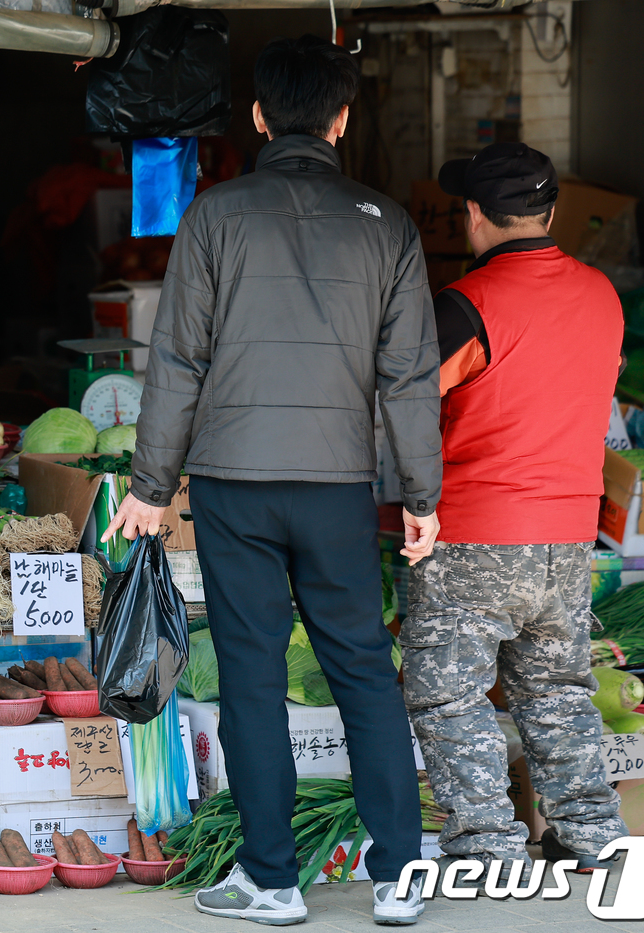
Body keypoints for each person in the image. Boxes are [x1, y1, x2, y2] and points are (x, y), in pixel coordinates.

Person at [104, 34, 441, 927]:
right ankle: (400, 876)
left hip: (233, 483)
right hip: (338, 487)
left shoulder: (215, 216)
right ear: (341, 119)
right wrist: (421, 496)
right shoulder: (389, 225)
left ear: (258, 118)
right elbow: (409, 377)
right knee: (365, 669)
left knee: (252, 673)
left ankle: (272, 880)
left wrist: (148, 484)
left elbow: (176, 358)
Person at [401, 143, 627, 876]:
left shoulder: (468, 306)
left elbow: (407, 405)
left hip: (476, 535)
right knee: (559, 690)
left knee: (449, 694)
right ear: (551, 211)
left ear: (472, 215)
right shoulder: (602, 294)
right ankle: (590, 835)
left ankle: (489, 846)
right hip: (568, 535)